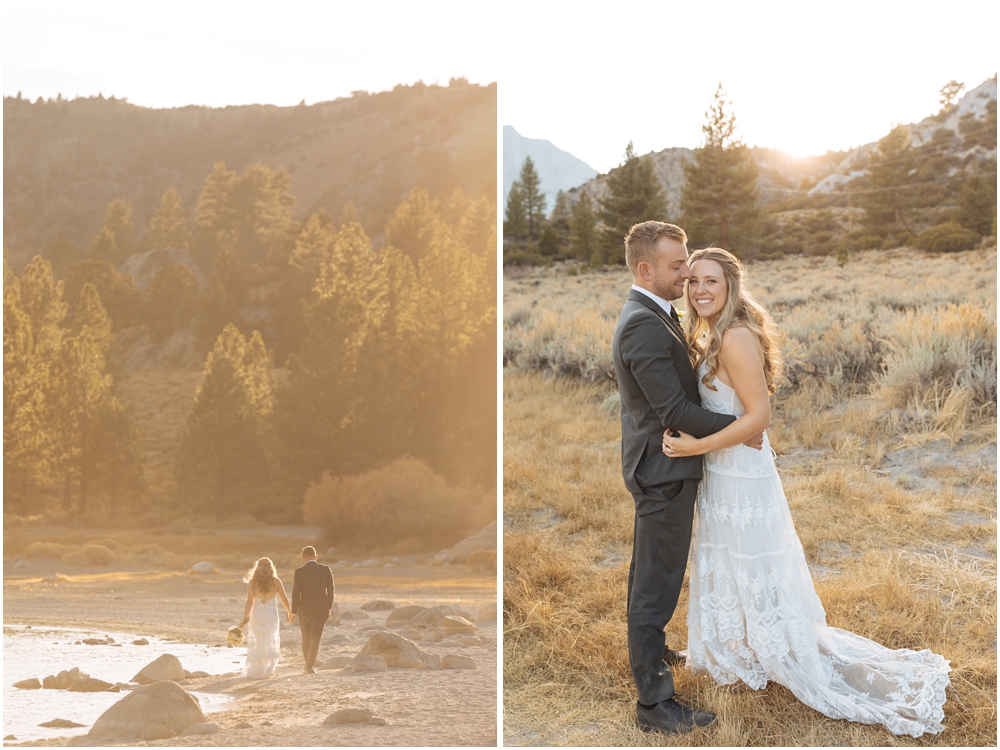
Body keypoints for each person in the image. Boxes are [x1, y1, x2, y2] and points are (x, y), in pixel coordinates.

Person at [661, 247, 950, 737]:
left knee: (752, 561)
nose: (700, 290)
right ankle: (740, 648)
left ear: (731, 285)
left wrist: (698, 447)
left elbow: (759, 417)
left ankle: (775, 650)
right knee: (731, 560)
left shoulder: (735, 336)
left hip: (740, 474)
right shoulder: (707, 332)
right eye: (693, 282)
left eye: (711, 281)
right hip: (723, 472)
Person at [611, 221, 764, 735]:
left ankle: (653, 652)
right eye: (678, 267)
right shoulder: (642, 323)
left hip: (664, 464)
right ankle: (654, 704)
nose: (686, 274)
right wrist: (741, 428)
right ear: (645, 269)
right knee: (656, 582)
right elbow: (673, 406)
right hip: (663, 468)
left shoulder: (658, 313)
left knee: (651, 573)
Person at [240, 557, 292, 679]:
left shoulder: (253, 583)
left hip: (257, 615)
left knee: (258, 641)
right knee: (269, 639)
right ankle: (268, 668)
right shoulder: (276, 581)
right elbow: (284, 598)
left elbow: (249, 602)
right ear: (271, 568)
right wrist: (290, 612)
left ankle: (258, 668)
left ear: (257, 568)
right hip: (271, 616)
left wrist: (244, 619)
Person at [290, 546, 335, 674]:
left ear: (303, 558)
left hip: (305, 609)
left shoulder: (299, 572)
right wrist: (329, 606)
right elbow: (331, 589)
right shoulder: (325, 569)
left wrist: (293, 610)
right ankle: (309, 666)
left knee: (306, 638)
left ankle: (308, 665)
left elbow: (296, 592)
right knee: (315, 638)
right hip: (322, 609)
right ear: (316, 557)